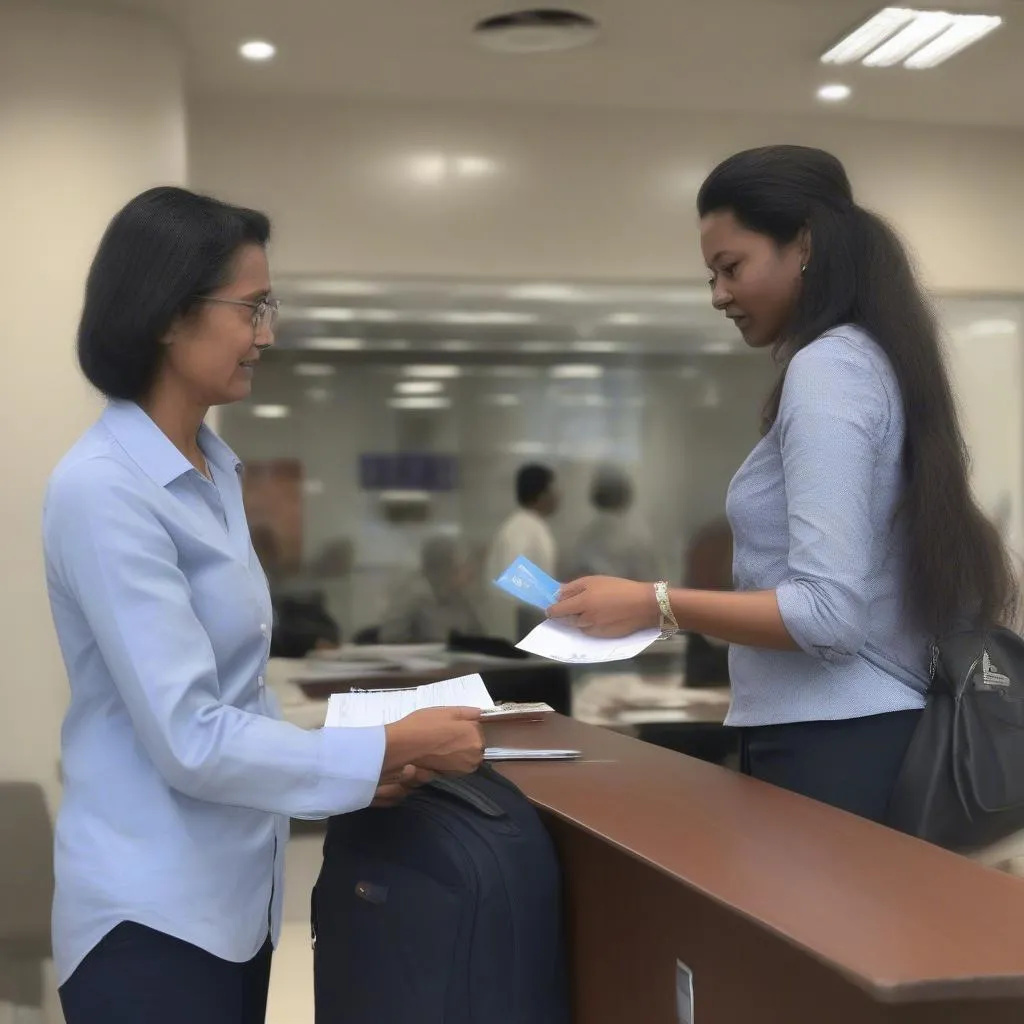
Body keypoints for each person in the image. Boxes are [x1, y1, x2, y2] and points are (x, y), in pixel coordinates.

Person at [43, 186, 485, 1024]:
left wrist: (363, 770)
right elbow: (190, 737)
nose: (266, 335)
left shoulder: (210, 471)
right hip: (152, 914)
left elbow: (235, 701)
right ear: (170, 315)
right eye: (252, 309)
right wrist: (382, 746)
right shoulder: (104, 489)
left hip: (236, 903)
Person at [548, 145, 1017, 824]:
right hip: (852, 731)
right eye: (711, 274)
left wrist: (657, 604)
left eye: (730, 268)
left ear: (802, 244)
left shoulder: (830, 369)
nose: (718, 295)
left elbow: (826, 614)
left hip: (838, 742)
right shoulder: (869, 358)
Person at [483, 463, 560, 641]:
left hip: (531, 627)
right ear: (542, 494)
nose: (559, 496)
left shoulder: (531, 525)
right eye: (554, 490)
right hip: (521, 632)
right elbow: (515, 580)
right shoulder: (522, 528)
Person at [561, 465, 658, 583]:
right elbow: (653, 583)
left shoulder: (582, 536)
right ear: (626, 495)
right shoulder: (637, 536)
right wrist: (664, 602)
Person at [379, 534, 484, 644]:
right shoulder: (412, 598)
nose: (472, 573)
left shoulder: (460, 599)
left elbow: (477, 636)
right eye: (465, 566)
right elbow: (392, 639)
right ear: (446, 569)